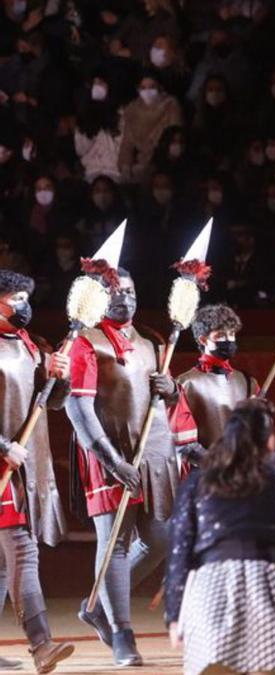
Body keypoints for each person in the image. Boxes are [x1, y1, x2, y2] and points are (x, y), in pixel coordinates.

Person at [66, 268, 195, 666]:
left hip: (154, 452)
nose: (126, 298)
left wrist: (171, 389)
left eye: (132, 291)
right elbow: (77, 406)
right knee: (115, 543)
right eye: (117, 292)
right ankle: (122, 632)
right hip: (110, 452)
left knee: (161, 536)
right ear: (99, 297)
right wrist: (110, 458)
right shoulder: (86, 343)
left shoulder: (154, 343)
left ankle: (97, 605)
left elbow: (170, 398)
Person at [165, 398, 275, 675]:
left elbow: (180, 550)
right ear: (268, 440)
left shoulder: (199, 481)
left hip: (209, 588)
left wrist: (175, 615)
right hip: (267, 584)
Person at [0, 271, 75, 672]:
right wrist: (2, 446)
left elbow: (53, 404)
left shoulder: (30, 346)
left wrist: (59, 378)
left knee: (2, 562)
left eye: (28, 297)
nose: (24, 305)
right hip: (4, 467)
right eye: (16, 298)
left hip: (27, 466)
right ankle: (41, 645)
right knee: (23, 552)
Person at [163, 305, 258, 457]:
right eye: (221, 335)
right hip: (205, 474)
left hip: (242, 473)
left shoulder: (247, 382)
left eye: (232, 334)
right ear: (203, 340)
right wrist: (216, 466)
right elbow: (183, 444)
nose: (229, 340)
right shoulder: (185, 384)